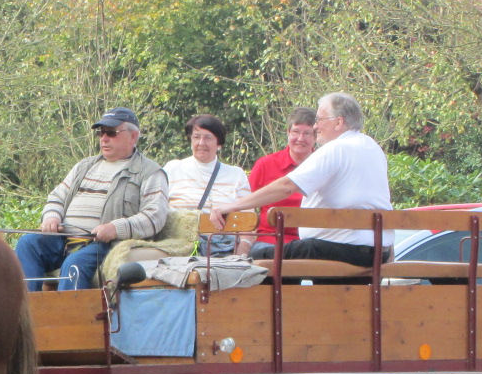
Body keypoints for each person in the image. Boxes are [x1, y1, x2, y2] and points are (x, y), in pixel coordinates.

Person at [212, 92, 392, 266]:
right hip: (376, 253)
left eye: (319, 119)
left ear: (338, 122)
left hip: (339, 250)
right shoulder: (372, 147)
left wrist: (231, 206)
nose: (316, 126)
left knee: (255, 257)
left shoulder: (336, 148)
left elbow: (286, 186)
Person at [16, 107, 170, 291]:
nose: (104, 138)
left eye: (111, 133)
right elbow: (57, 197)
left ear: (133, 136)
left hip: (103, 245)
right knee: (27, 243)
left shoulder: (150, 172)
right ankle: (26, 306)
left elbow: (154, 217)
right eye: (101, 133)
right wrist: (52, 217)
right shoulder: (84, 165)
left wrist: (115, 228)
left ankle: (70, 310)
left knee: (74, 264)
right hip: (62, 240)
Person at [163, 114, 252, 255]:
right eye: (196, 137)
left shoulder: (236, 174)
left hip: (225, 249)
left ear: (219, 143)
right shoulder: (172, 169)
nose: (201, 143)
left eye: (208, 137)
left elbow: (249, 221)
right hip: (180, 248)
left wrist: (242, 251)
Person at [248, 107, 317, 254]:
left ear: (316, 137)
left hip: (312, 243)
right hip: (270, 241)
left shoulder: (325, 167)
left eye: (307, 133)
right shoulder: (265, 165)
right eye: (296, 132)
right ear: (288, 133)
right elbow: (245, 203)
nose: (300, 138)